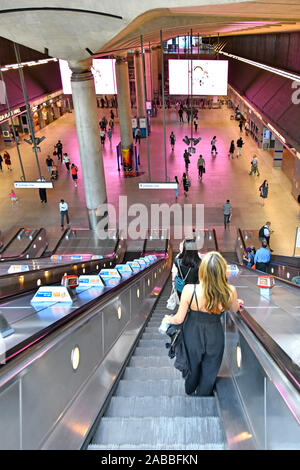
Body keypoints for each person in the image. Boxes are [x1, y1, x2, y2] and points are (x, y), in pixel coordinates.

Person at [163, 251, 243, 396]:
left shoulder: (189, 290)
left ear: (203, 270)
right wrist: (237, 302)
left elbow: (179, 319)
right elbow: (235, 308)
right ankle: (203, 395)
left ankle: (190, 388)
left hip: (192, 332)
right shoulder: (230, 291)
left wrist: (168, 319)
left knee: (192, 364)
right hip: (215, 333)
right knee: (211, 367)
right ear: (221, 271)